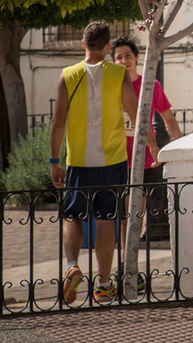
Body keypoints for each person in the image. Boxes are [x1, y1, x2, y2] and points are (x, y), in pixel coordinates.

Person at [49, 21, 150, 305]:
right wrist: (152, 147)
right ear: (108, 48)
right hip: (113, 159)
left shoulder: (68, 74)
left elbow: (58, 123)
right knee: (106, 219)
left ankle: (72, 265)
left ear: (83, 44)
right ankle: (104, 284)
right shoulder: (119, 74)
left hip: (78, 160)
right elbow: (135, 113)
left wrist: (55, 161)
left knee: (72, 215)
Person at [111, 37, 181, 255]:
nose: (124, 61)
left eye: (128, 56)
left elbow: (168, 119)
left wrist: (177, 149)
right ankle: (125, 263)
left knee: (136, 214)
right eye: (119, 57)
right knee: (125, 215)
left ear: (137, 57)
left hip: (144, 159)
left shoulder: (150, 85)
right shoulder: (109, 87)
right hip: (117, 158)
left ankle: (129, 261)